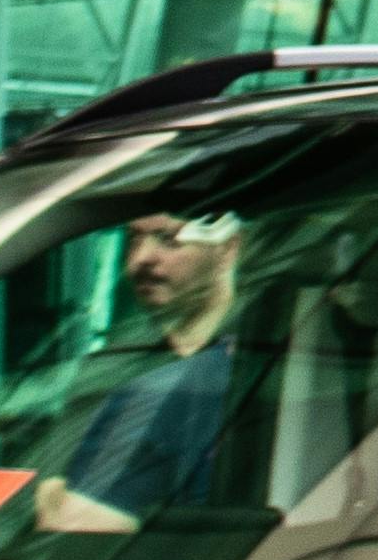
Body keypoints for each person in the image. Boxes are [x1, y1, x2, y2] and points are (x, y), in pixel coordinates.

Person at [41, 216, 254, 534]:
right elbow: (59, 512)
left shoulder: (263, 355)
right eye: (134, 239)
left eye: (168, 240)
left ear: (227, 249)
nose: (141, 258)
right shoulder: (107, 369)